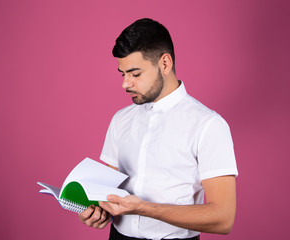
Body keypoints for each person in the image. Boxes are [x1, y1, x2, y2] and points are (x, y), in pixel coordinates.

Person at [79, 18, 238, 240]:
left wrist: (143, 208)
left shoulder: (208, 125)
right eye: (122, 74)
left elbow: (223, 217)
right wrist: (97, 211)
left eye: (135, 74)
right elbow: (108, 194)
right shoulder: (120, 120)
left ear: (165, 63)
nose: (125, 84)